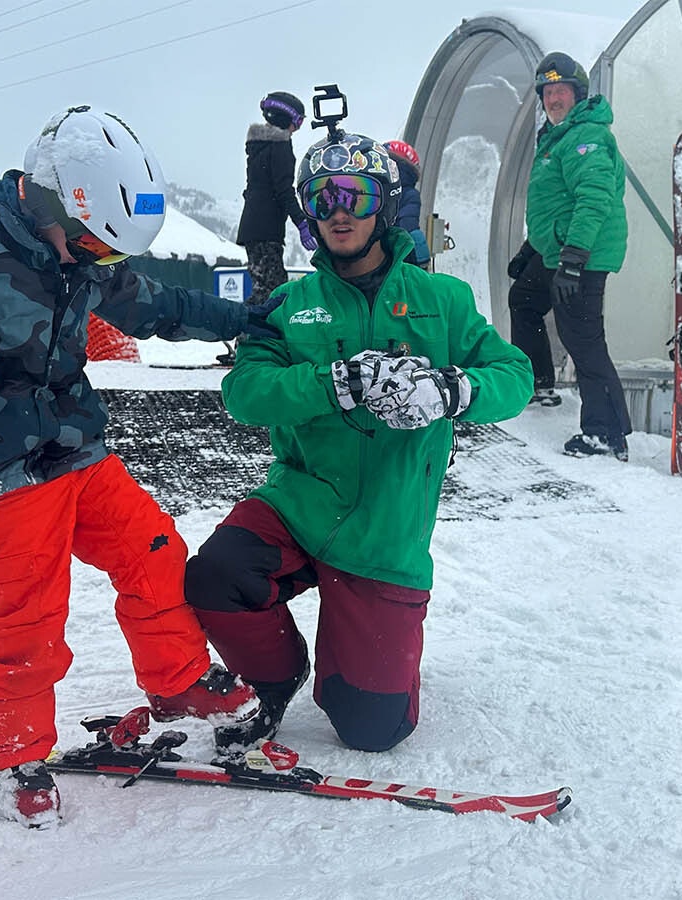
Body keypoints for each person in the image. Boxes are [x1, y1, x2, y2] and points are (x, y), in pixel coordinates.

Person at [0, 105, 278, 829]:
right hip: (0, 463)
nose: (99, 262)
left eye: (110, 253)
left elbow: (154, 306)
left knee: (156, 553)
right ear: (47, 198)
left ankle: (178, 682)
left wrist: (247, 317)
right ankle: (8, 755)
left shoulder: (81, 252)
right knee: (30, 613)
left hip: (77, 447)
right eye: (94, 246)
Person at [183, 128, 533, 756]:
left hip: (385, 531)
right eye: (321, 198)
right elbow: (246, 392)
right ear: (309, 214)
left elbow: (515, 377)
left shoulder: (443, 301)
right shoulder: (288, 305)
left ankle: (357, 659)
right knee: (217, 574)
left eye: (354, 193)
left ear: (382, 203)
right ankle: (277, 673)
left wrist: (452, 392)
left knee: (374, 729)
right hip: (300, 504)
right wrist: (334, 381)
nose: (339, 209)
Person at [505, 51, 632, 460]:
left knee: (583, 339)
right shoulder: (559, 136)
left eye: (561, 90)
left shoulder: (586, 138)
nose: (554, 98)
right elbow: (554, 205)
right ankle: (539, 382)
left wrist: (573, 261)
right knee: (524, 298)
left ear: (577, 94)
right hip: (557, 253)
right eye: (547, 91)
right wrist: (531, 250)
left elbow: (592, 200)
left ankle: (606, 432)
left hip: (583, 257)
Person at [227, 91, 314, 365]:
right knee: (271, 287)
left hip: (255, 227)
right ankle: (244, 337)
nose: (296, 129)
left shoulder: (257, 145)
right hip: (265, 230)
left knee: (267, 283)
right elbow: (283, 191)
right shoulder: (280, 147)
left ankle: (248, 336)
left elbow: (254, 189)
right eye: (297, 123)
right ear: (289, 120)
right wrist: (302, 221)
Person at [381, 139, 431, 268]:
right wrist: (422, 264)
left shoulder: (373, 188)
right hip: (399, 258)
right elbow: (409, 228)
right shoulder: (410, 194)